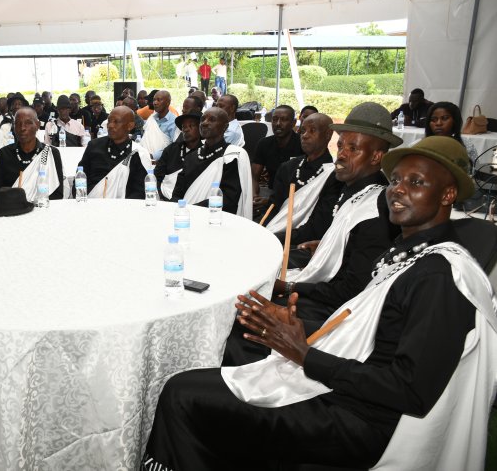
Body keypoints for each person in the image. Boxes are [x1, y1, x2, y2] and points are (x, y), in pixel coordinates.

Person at [144, 134, 497, 471]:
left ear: (448, 194)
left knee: (182, 394)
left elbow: (410, 390)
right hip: (349, 387)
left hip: (365, 419)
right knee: (236, 343)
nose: (398, 189)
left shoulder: (440, 278)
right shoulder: (411, 250)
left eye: (416, 182)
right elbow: (369, 331)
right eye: (395, 180)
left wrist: (305, 354)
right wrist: (291, 326)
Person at [226, 103, 401, 365]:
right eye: (340, 146)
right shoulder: (356, 190)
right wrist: (327, 244)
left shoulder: (375, 209)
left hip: (336, 312)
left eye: (353, 149)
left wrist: (289, 287)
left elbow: (352, 290)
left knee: (239, 315)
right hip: (323, 287)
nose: (341, 155)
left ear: (377, 157)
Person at [171, 107, 252, 217]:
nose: (204, 123)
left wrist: (193, 209)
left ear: (225, 127)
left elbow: (228, 199)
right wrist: (178, 208)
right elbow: (177, 192)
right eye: (203, 119)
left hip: (215, 217)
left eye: (212, 120)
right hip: (184, 214)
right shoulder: (191, 156)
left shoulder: (232, 157)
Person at [261, 112, 335, 225]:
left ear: (328, 134)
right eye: (302, 131)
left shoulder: (333, 175)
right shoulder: (288, 167)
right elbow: (273, 207)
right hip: (276, 227)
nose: (304, 135)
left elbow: (321, 221)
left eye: (312, 130)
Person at [76, 106, 152, 199]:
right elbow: (80, 177)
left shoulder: (138, 154)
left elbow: (140, 192)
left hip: (124, 205)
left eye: (116, 122)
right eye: (109, 121)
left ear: (130, 126)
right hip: (90, 202)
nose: (110, 125)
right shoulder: (94, 146)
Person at [0, 107, 63, 204]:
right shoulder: (4, 154)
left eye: (28, 123)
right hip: (11, 210)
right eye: (18, 123)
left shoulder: (50, 153)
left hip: (43, 210)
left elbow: (57, 194)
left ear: (37, 125)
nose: (22, 128)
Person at [251, 105, 301, 196]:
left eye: (284, 120)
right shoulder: (264, 143)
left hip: (298, 194)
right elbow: (254, 177)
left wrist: (270, 201)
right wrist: (254, 195)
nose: (278, 123)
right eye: (274, 119)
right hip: (271, 191)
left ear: (293, 123)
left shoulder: (302, 144)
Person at [154, 112, 202, 201]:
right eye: (184, 127)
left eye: (191, 126)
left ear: (200, 129)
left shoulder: (203, 153)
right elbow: (157, 176)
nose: (186, 129)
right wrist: (160, 196)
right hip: (163, 198)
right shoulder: (171, 149)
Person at [141, 90, 178, 161]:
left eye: (159, 100)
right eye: (154, 100)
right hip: (143, 158)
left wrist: (153, 156)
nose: (155, 103)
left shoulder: (174, 122)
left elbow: (174, 147)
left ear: (168, 102)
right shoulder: (152, 118)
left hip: (162, 162)